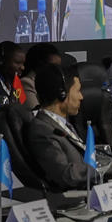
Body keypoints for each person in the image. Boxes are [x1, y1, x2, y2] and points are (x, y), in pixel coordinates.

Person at [23, 62, 91, 192]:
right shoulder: (42, 130)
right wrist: (100, 167)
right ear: (62, 94)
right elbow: (65, 175)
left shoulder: (63, 123)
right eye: (77, 91)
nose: (81, 97)